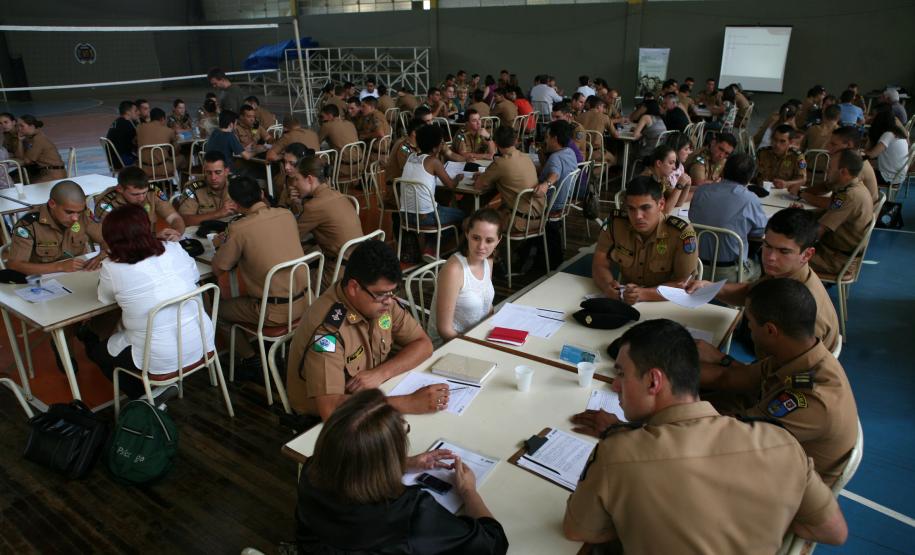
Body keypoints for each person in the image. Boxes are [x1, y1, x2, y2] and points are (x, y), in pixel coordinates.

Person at [564, 319, 848, 553]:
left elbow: (577, 529)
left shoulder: (619, 454)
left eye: (622, 374)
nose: (615, 386)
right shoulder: (782, 443)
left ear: (654, 381)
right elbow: (833, 531)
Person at [295, 389, 509, 553]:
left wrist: (404, 464)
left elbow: (352, 467)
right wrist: (469, 491)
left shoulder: (312, 470)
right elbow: (493, 544)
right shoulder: (411, 514)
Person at [697, 278, 859, 486]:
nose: (749, 328)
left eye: (750, 322)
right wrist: (671, 370)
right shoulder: (797, 355)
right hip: (773, 450)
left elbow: (731, 435)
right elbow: (729, 378)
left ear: (771, 331)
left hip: (788, 485)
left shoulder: (813, 399)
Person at [285, 240, 439, 420]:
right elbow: (330, 409)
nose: (389, 301)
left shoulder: (381, 302)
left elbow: (424, 345)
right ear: (353, 288)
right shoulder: (327, 333)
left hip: (371, 398)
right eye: (381, 294)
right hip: (323, 423)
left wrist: (381, 373)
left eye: (392, 292)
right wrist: (406, 403)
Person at [86, 204, 214, 400]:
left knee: (97, 352)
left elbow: (105, 299)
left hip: (162, 357)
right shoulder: (174, 248)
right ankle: (153, 393)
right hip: (202, 340)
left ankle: (147, 397)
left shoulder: (112, 267)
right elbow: (194, 274)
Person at [687, 208, 840, 357]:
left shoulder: (803, 311)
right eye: (767, 245)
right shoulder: (786, 274)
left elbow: (779, 375)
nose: (770, 257)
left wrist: (722, 362)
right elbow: (750, 292)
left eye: (784, 251)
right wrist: (710, 288)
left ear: (807, 255)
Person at [210, 175, 308, 371]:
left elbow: (219, 267)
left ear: (235, 205)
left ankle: (250, 359)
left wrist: (221, 244)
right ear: (262, 194)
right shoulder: (286, 214)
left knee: (216, 312)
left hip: (276, 312)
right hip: (307, 300)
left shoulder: (239, 229)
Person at [592, 176, 698, 304]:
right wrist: (607, 286)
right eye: (631, 208)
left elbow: (683, 284)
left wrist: (643, 294)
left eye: (645, 208)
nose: (638, 216)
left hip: (667, 303)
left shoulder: (682, 233)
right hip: (625, 299)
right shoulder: (616, 224)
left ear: (661, 204)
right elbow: (599, 262)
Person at [287, 155, 363, 289]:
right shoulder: (336, 194)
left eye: (297, 179)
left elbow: (291, 238)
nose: (294, 184)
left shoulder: (314, 206)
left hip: (338, 274)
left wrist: (293, 204)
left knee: (289, 280)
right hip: (359, 265)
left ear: (310, 179)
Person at [688, 153, 766, 282]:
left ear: (724, 170)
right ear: (751, 177)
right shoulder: (750, 199)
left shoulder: (701, 191)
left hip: (695, 266)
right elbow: (760, 233)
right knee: (761, 263)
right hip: (729, 274)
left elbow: (692, 217)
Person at [429, 209, 500, 343]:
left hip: (478, 334)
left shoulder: (488, 260)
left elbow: (486, 302)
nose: (481, 246)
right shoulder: (454, 270)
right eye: (476, 238)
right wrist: (479, 344)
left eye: (489, 240)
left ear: (498, 241)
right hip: (449, 343)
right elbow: (444, 330)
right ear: (467, 234)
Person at [8, 180, 105, 275]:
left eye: (79, 212)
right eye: (69, 212)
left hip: (79, 274)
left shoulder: (84, 216)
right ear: (52, 204)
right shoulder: (29, 225)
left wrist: (100, 256)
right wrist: (59, 266)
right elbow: (15, 265)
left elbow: (110, 240)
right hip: (43, 280)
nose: (75, 218)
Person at [809, 149, 874, 276]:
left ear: (843, 172)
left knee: (781, 258)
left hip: (836, 260)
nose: (826, 170)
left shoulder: (849, 196)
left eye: (830, 167)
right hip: (834, 252)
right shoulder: (853, 187)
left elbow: (818, 232)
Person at [473, 126, 540, 231]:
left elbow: (478, 186)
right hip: (540, 218)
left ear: (495, 143)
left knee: (469, 223)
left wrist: (482, 177)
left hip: (519, 221)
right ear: (516, 141)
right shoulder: (526, 157)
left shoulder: (500, 163)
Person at [399, 124, 466, 228]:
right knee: (465, 216)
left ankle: (433, 241)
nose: (442, 145)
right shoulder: (433, 161)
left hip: (406, 216)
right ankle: (433, 243)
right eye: (441, 143)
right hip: (427, 217)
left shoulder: (410, 157)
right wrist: (458, 177)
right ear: (435, 149)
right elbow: (451, 185)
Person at [94, 166, 185, 241]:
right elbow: (113, 240)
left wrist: (176, 232)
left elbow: (174, 217)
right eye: (135, 194)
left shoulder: (152, 192)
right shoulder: (106, 204)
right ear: (120, 189)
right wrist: (154, 237)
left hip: (151, 244)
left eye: (144, 192)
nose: (141, 198)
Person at [793, 126, 879, 205]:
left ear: (849, 145)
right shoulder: (851, 159)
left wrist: (802, 194)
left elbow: (832, 204)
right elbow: (826, 187)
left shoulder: (857, 166)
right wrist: (801, 191)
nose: (827, 148)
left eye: (833, 144)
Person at [177, 151, 237, 226]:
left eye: (218, 172)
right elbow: (184, 220)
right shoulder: (193, 188)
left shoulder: (237, 185)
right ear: (204, 171)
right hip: (202, 233)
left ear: (226, 171)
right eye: (209, 173)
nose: (213, 178)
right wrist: (218, 213)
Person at [864, 107, 910, 188]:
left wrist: (859, 152)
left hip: (889, 177)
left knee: (856, 171)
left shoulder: (888, 135)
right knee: (866, 165)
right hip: (898, 175)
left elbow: (871, 155)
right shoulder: (898, 133)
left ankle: (870, 197)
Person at [14, 115, 66, 182]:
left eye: (22, 126)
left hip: (54, 175)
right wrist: (20, 141)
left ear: (32, 126)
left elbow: (27, 161)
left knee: (21, 182)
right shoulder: (32, 138)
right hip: (46, 172)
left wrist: (24, 156)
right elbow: (20, 157)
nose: (19, 129)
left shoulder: (38, 139)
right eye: (17, 126)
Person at [755, 125, 807, 190]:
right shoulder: (762, 153)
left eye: (782, 141)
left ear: (790, 142)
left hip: (783, 192)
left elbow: (803, 179)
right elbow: (752, 173)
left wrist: (787, 184)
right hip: (762, 189)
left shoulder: (796, 157)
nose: (777, 144)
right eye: (775, 140)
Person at [136, 108, 184, 178]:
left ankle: (164, 185)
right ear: (162, 119)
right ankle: (181, 186)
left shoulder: (139, 128)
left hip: (143, 170)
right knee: (182, 158)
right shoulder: (169, 131)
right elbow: (175, 151)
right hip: (163, 169)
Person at [639, 145, 685, 211]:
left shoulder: (661, 178)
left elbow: (678, 203)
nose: (674, 167)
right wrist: (679, 186)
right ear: (659, 163)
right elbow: (665, 210)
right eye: (671, 163)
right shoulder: (648, 180)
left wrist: (687, 185)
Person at [575, 97, 618, 165]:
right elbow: (616, 135)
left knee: (598, 162)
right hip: (596, 153)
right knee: (613, 160)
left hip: (580, 153)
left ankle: (588, 171)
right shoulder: (604, 117)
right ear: (598, 106)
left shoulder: (579, 117)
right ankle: (593, 174)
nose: (603, 109)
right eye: (603, 107)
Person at [105, 101, 138, 167]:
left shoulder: (117, 122)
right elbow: (137, 142)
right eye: (135, 111)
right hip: (121, 159)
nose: (137, 113)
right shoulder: (126, 125)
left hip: (112, 159)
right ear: (128, 112)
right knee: (146, 161)